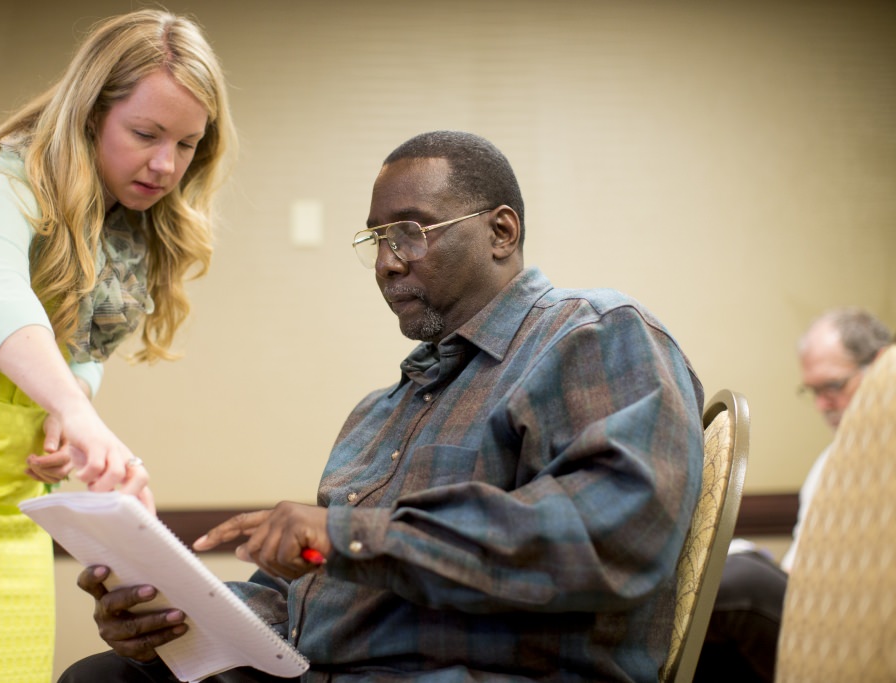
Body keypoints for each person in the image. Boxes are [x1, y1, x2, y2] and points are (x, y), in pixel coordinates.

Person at [59, 130, 705, 682]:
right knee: (107, 674)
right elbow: (307, 599)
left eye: (411, 233)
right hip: (325, 668)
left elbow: (609, 537)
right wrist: (171, 612)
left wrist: (347, 533)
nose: (388, 264)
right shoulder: (382, 411)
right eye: (377, 239)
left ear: (501, 232)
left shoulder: (589, 335)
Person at [0, 9, 236, 683]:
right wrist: (74, 408)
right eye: (146, 133)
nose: (165, 164)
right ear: (90, 114)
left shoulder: (120, 232)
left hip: (12, 510)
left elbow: (82, 345)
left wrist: (65, 406)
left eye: (186, 145)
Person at [695, 307, 893, 682]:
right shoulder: (830, 460)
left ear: (881, 364)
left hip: (847, 622)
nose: (821, 406)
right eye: (813, 391)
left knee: (740, 583)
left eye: (833, 386)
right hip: (806, 603)